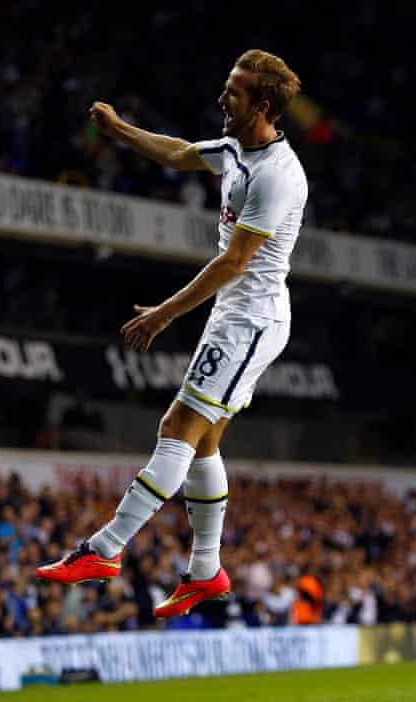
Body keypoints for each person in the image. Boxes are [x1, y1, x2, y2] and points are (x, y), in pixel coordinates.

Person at [36, 49, 306, 619]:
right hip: (237, 316)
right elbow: (182, 153)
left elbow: (234, 262)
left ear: (261, 104)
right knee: (203, 441)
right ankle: (205, 573)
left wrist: (163, 313)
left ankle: (104, 548)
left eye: (233, 91)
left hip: (249, 320)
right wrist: (118, 130)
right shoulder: (237, 148)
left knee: (177, 426)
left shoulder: (277, 175)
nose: (220, 97)